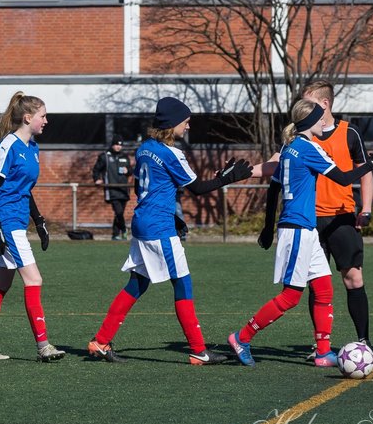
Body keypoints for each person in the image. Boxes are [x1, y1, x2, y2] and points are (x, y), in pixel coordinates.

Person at [86, 97, 251, 365]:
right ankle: (199, 351)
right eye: (185, 122)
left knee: (137, 284)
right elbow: (197, 188)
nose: (187, 127)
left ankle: (101, 341)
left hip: (142, 221)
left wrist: (218, 177)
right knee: (182, 282)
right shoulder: (171, 153)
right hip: (158, 226)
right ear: (172, 123)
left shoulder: (144, 148)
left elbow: (166, 185)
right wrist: (228, 178)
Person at [229, 99, 373, 368]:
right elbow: (345, 179)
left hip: (303, 229)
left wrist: (267, 227)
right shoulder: (309, 148)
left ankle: (323, 352)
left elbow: (274, 189)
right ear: (311, 123)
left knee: (323, 289)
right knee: (291, 297)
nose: (325, 122)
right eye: (321, 119)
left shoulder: (289, 148)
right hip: (298, 230)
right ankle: (242, 337)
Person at [0, 92, 63, 362]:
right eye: (43, 115)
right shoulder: (8, 145)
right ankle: (44, 346)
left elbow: (24, 190)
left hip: (19, 221)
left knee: (1, 285)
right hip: (8, 223)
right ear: (28, 117)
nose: (47, 120)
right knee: (34, 279)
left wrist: (40, 221)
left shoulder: (32, 147)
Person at [299, 82, 373, 352]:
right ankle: (320, 344)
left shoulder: (349, 132)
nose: (303, 109)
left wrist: (366, 208)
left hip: (342, 217)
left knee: (353, 278)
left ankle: (365, 342)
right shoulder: (302, 134)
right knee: (316, 283)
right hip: (310, 220)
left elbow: (365, 171)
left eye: (309, 103)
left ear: (325, 104)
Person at [92, 137, 132, 240]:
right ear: (112, 145)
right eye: (116, 144)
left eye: (120, 145)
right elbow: (96, 169)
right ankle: (124, 229)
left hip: (124, 189)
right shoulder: (104, 156)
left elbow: (131, 171)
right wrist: (97, 179)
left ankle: (115, 234)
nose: (118, 146)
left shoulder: (125, 156)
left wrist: (128, 171)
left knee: (119, 214)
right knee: (118, 212)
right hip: (112, 189)